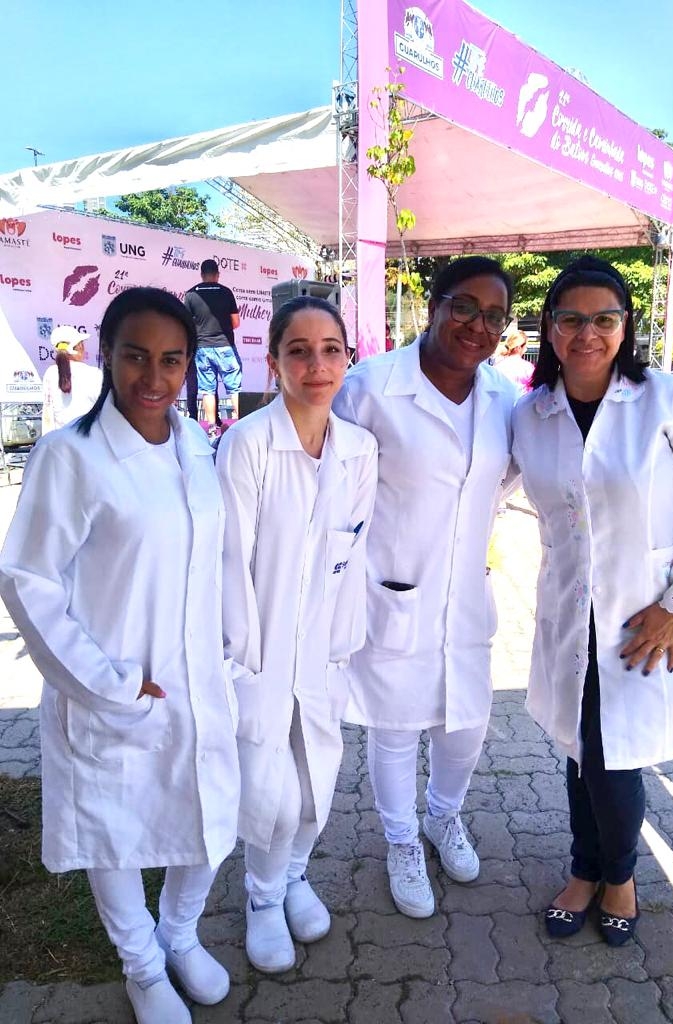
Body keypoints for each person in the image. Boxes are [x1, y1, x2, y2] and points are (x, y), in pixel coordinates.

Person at [0, 287, 240, 1024]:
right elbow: (27, 580)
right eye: (136, 356)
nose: (154, 377)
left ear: (190, 365)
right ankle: (141, 965)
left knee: (209, 811)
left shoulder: (196, 445)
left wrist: (229, 644)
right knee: (116, 827)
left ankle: (179, 935)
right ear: (105, 353)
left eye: (172, 360)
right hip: (115, 680)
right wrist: (109, 684)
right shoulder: (70, 456)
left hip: (196, 676)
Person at [511, 255, 673, 946]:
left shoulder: (666, 399)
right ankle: (586, 870)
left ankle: (617, 877)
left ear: (625, 325)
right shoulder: (530, 414)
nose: (588, 333)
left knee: (612, 756)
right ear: (550, 328)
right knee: (580, 747)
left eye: (604, 319)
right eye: (571, 319)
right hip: (568, 611)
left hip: (645, 615)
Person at [333, 256, 518, 918]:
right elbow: (337, 486)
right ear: (434, 306)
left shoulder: (503, 397)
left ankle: (444, 817)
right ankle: (401, 841)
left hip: (465, 591)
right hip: (393, 586)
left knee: (465, 722)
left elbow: (505, 478)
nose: (477, 325)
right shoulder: (371, 386)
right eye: (463, 306)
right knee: (395, 724)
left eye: (493, 315)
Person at [216, 296, 378, 972]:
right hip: (256, 649)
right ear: (274, 361)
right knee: (271, 792)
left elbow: (352, 555)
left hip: (322, 649)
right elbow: (231, 564)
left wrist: (341, 648)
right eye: (299, 351)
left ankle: (293, 876)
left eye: (331, 350)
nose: (317, 365)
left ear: (347, 359)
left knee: (316, 784)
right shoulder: (248, 444)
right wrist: (245, 663)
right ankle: (261, 896)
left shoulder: (359, 450)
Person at [184, 259, 242, 436]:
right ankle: (242, 424)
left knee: (207, 390)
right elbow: (236, 322)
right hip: (225, 346)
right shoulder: (226, 292)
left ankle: (211, 429)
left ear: (202, 275)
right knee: (234, 388)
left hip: (202, 348)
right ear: (217, 274)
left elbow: (186, 324)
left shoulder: (191, 294)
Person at [41, 325, 102, 433]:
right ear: (79, 346)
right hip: (88, 438)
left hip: (59, 439)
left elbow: (47, 415)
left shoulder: (50, 373)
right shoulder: (94, 373)